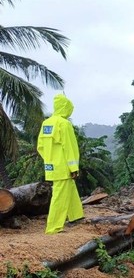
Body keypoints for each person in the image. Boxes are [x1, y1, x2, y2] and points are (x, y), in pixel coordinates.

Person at [37, 94, 84, 234]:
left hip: (51, 165)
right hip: (63, 166)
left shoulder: (47, 123)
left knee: (69, 187)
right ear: (66, 108)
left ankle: (76, 215)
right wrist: (73, 167)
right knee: (60, 195)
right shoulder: (64, 124)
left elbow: (40, 146)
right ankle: (54, 227)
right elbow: (70, 147)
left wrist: (50, 159)